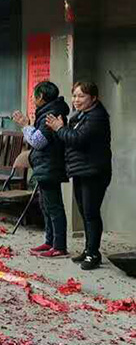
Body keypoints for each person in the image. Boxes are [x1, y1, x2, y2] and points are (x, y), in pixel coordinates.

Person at [46, 81, 112, 270]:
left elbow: (78, 140)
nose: (76, 100)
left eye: (81, 96)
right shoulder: (81, 116)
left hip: (94, 172)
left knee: (91, 213)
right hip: (81, 171)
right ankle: (88, 249)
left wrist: (60, 128)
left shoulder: (97, 117)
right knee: (84, 212)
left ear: (94, 98)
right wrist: (61, 128)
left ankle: (93, 254)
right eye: (74, 95)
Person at [12, 81, 69, 258]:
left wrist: (24, 125)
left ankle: (59, 246)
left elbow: (38, 141)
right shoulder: (47, 111)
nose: (33, 99)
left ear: (41, 97)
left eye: (34, 96)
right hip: (44, 165)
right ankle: (49, 241)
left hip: (50, 165)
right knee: (46, 205)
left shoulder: (50, 114)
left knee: (54, 206)